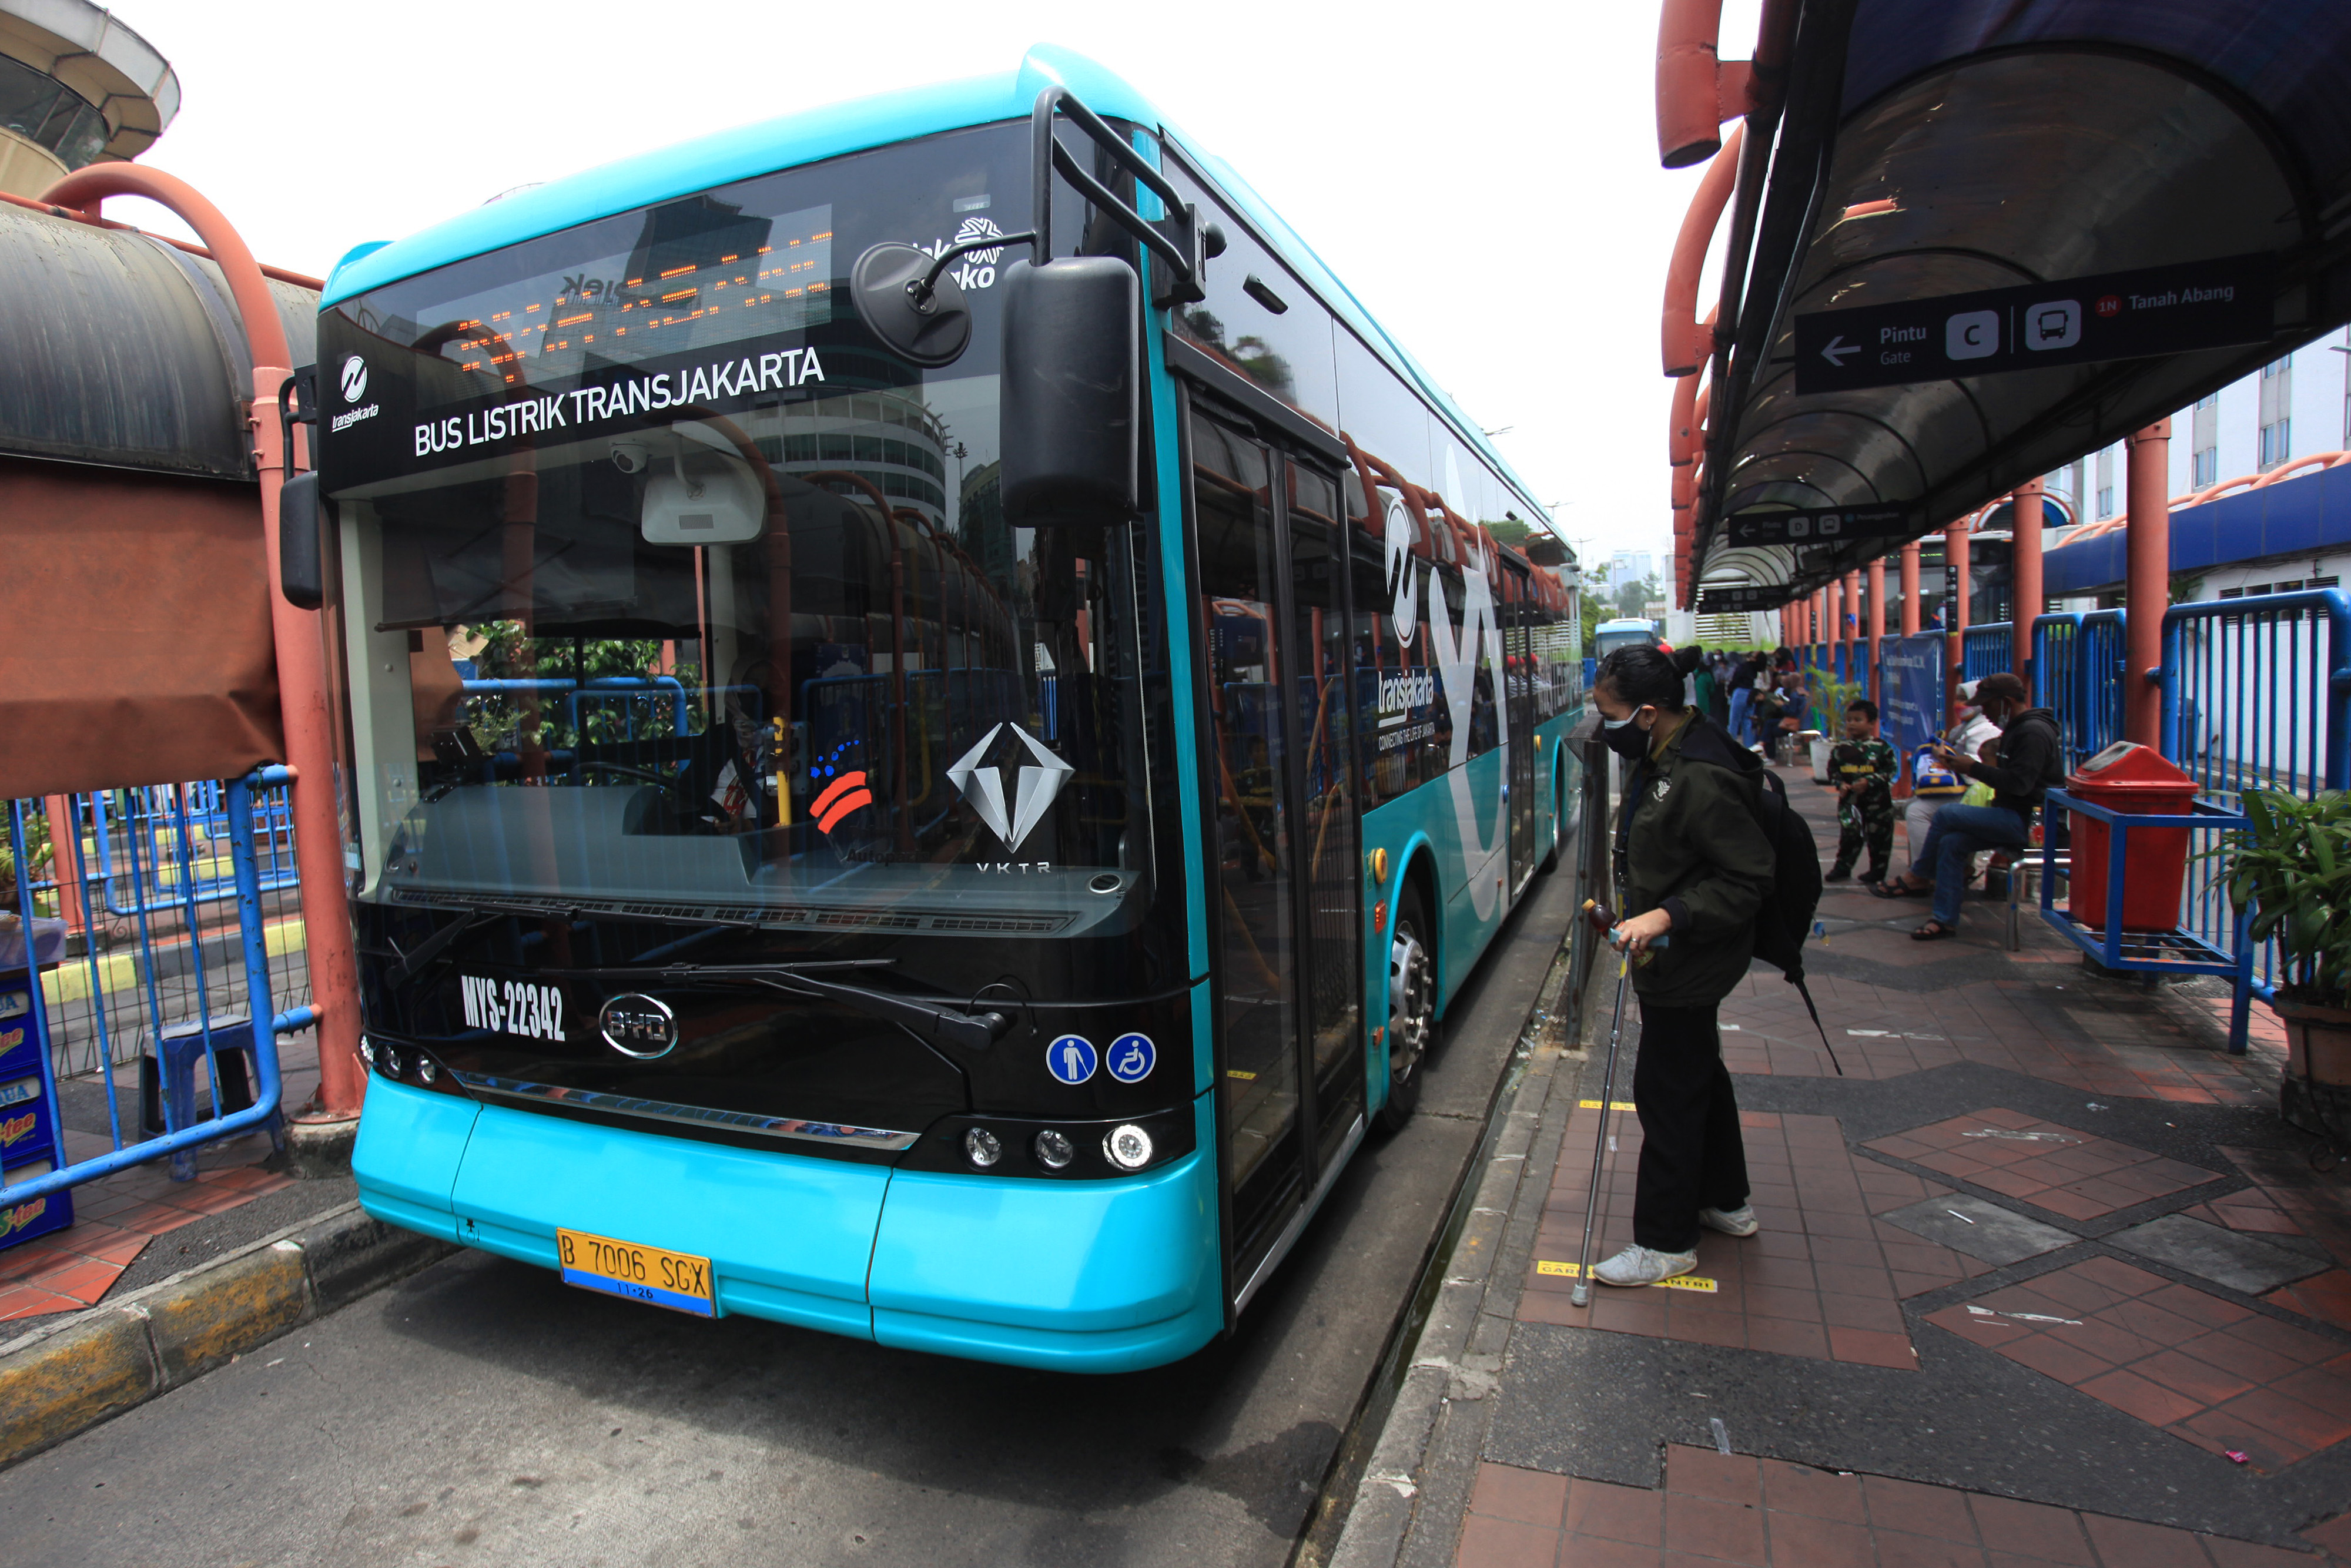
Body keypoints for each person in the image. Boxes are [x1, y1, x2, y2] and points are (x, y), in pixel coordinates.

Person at [1588, 644, 1778, 1287]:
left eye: (1608, 714)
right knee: (1699, 1072)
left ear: (1647, 713)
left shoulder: (1701, 773)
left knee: (1666, 1092)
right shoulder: (1670, 751)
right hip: (1680, 955)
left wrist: (1664, 916)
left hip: (1691, 958)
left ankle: (1666, 1242)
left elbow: (1747, 879)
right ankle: (1727, 1201)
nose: (1602, 728)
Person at [1872, 672, 2064, 939]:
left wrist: (1974, 767)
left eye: (1987, 705)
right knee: (1953, 843)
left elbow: (2020, 784)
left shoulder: (2032, 732)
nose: (1984, 712)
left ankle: (1920, 875)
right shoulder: (2016, 729)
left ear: (2005, 702)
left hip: (2032, 823)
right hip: (2009, 814)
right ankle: (1944, 919)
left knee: (1947, 814)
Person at [1903, 680, 2001, 872]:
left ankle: (1925, 872)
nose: (1959, 703)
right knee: (1913, 805)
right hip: (1960, 788)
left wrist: (1943, 756)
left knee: (1917, 812)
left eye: (1966, 699)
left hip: (1975, 792)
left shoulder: (1986, 729)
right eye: (1959, 698)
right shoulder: (1962, 728)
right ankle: (1932, 866)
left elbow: (1978, 771)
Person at [1826, 699, 1897, 884]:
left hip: (1878, 803)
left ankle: (1877, 871)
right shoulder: (1841, 750)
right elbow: (1833, 771)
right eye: (1849, 720)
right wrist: (1840, 784)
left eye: (1858, 720)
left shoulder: (1882, 748)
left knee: (1879, 837)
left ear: (1872, 723)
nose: (1852, 724)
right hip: (1851, 802)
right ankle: (1842, 868)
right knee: (1850, 835)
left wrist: (1869, 782)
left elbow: (1890, 771)